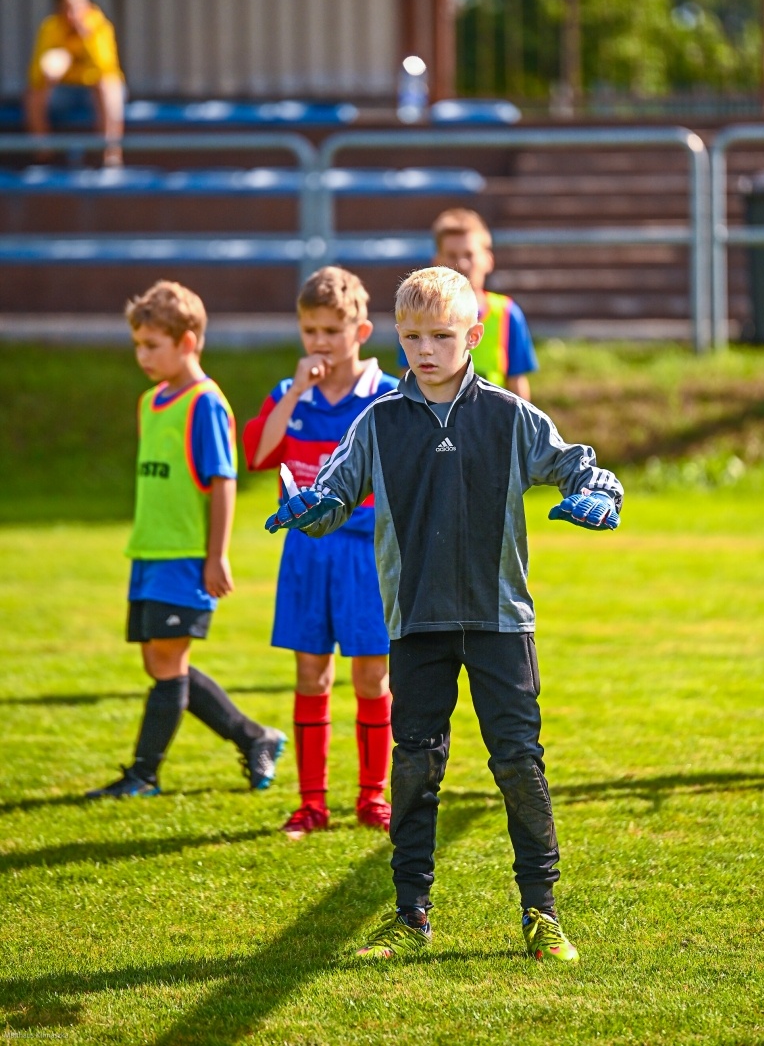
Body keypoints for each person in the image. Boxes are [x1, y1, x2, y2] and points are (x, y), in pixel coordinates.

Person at [266, 266, 623, 963]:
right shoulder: (378, 422)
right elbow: (332, 494)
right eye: (411, 336)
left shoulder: (510, 417)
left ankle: (542, 914)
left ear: (474, 335)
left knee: (519, 763)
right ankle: (409, 916)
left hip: (500, 620)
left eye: (440, 335)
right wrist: (309, 511)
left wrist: (600, 497)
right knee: (416, 767)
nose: (424, 349)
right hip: (415, 621)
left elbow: (581, 466)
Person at [87, 280, 286, 799]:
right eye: (138, 345)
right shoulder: (151, 401)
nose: (142, 355)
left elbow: (223, 480)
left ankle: (143, 775)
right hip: (148, 553)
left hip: (185, 557)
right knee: (159, 662)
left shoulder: (206, 404)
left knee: (168, 663)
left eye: (152, 345)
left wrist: (215, 555)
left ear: (188, 341)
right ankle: (254, 736)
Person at [243, 266, 398, 838]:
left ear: (361, 331)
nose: (319, 342)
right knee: (311, 675)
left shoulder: (385, 397)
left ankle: (373, 797)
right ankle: (311, 804)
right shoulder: (290, 394)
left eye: (332, 330)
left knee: (372, 678)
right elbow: (258, 453)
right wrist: (298, 392)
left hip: (365, 553)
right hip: (306, 555)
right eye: (310, 330)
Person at [397, 208, 538, 399]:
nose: (461, 264)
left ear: (488, 260)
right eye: (452, 255)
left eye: (469, 255)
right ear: (437, 262)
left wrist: (521, 427)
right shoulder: (417, 313)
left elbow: (517, 382)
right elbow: (407, 380)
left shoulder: (507, 313)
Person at [26, 0, 125, 167]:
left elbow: (105, 67)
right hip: (64, 91)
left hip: (94, 91)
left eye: (82, 5)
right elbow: (36, 75)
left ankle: (111, 155)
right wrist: (50, 72)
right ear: (60, 8)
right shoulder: (51, 28)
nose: (77, 12)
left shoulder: (98, 25)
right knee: (33, 93)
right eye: (70, 7)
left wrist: (86, 37)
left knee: (107, 86)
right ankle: (43, 153)